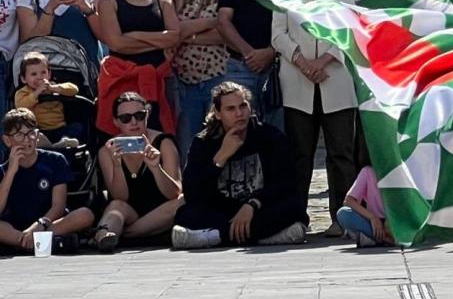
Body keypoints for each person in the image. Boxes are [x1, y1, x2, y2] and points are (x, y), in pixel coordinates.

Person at [271, 0, 359, 237]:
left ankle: (343, 217)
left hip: (336, 76)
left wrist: (324, 60)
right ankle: (298, 218)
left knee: (341, 153)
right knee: (300, 154)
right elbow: (277, 32)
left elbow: (352, 27)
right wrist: (302, 61)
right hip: (298, 79)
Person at [172, 81, 306, 248]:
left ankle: (215, 237)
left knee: (294, 207)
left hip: (259, 207)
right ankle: (265, 237)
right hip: (222, 211)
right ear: (218, 113)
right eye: (230, 109)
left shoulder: (270, 136)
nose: (239, 113)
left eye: (243, 106)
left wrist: (252, 204)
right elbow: (193, 193)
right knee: (185, 214)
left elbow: (284, 183)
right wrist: (221, 157)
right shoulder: (203, 142)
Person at [94, 0, 178, 137]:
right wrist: (158, 41)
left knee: (161, 140)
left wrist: (136, 35)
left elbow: (175, 37)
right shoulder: (108, 0)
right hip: (123, 84)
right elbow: (116, 44)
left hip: (159, 81)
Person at [92, 91, 183, 249]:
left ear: (147, 115)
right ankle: (104, 236)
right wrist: (117, 165)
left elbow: (173, 193)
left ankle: (125, 235)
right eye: (125, 118)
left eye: (139, 116)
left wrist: (155, 168)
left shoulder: (164, 142)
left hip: (160, 212)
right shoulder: (107, 150)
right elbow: (120, 197)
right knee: (116, 206)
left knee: (181, 202)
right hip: (129, 211)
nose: (134, 122)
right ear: (116, 122)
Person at [0, 106, 94, 253]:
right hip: (16, 227)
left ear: (38, 135)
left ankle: (27, 243)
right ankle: (33, 242)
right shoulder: (3, 169)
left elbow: (58, 206)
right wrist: (11, 172)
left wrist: (40, 224)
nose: (27, 140)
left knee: (85, 214)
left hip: (48, 223)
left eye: (31, 133)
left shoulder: (55, 160)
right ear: (7, 140)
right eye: (19, 135)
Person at [166, 0, 228, 141]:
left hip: (219, 78)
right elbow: (172, 32)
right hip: (184, 83)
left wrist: (186, 34)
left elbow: (227, 34)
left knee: (221, 144)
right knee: (189, 146)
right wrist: (212, 22)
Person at [12, 52, 83, 144]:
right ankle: (47, 144)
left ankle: (63, 142)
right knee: (33, 135)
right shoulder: (23, 92)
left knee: (77, 127)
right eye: (34, 74)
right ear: (24, 79)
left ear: (49, 74)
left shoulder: (53, 86)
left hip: (60, 127)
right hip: (38, 129)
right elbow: (20, 106)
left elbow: (74, 89)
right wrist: (36, 93)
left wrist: (55, 88)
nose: (39, 77)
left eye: (43, 72)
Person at [337, 164, 394, 247]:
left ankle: (376, 239)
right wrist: (373, 217)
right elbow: (348, 201)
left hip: (397, 222)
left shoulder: (404, 169)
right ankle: (384, 239)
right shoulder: (368, 171)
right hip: (375, 224)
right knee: (343, 214)